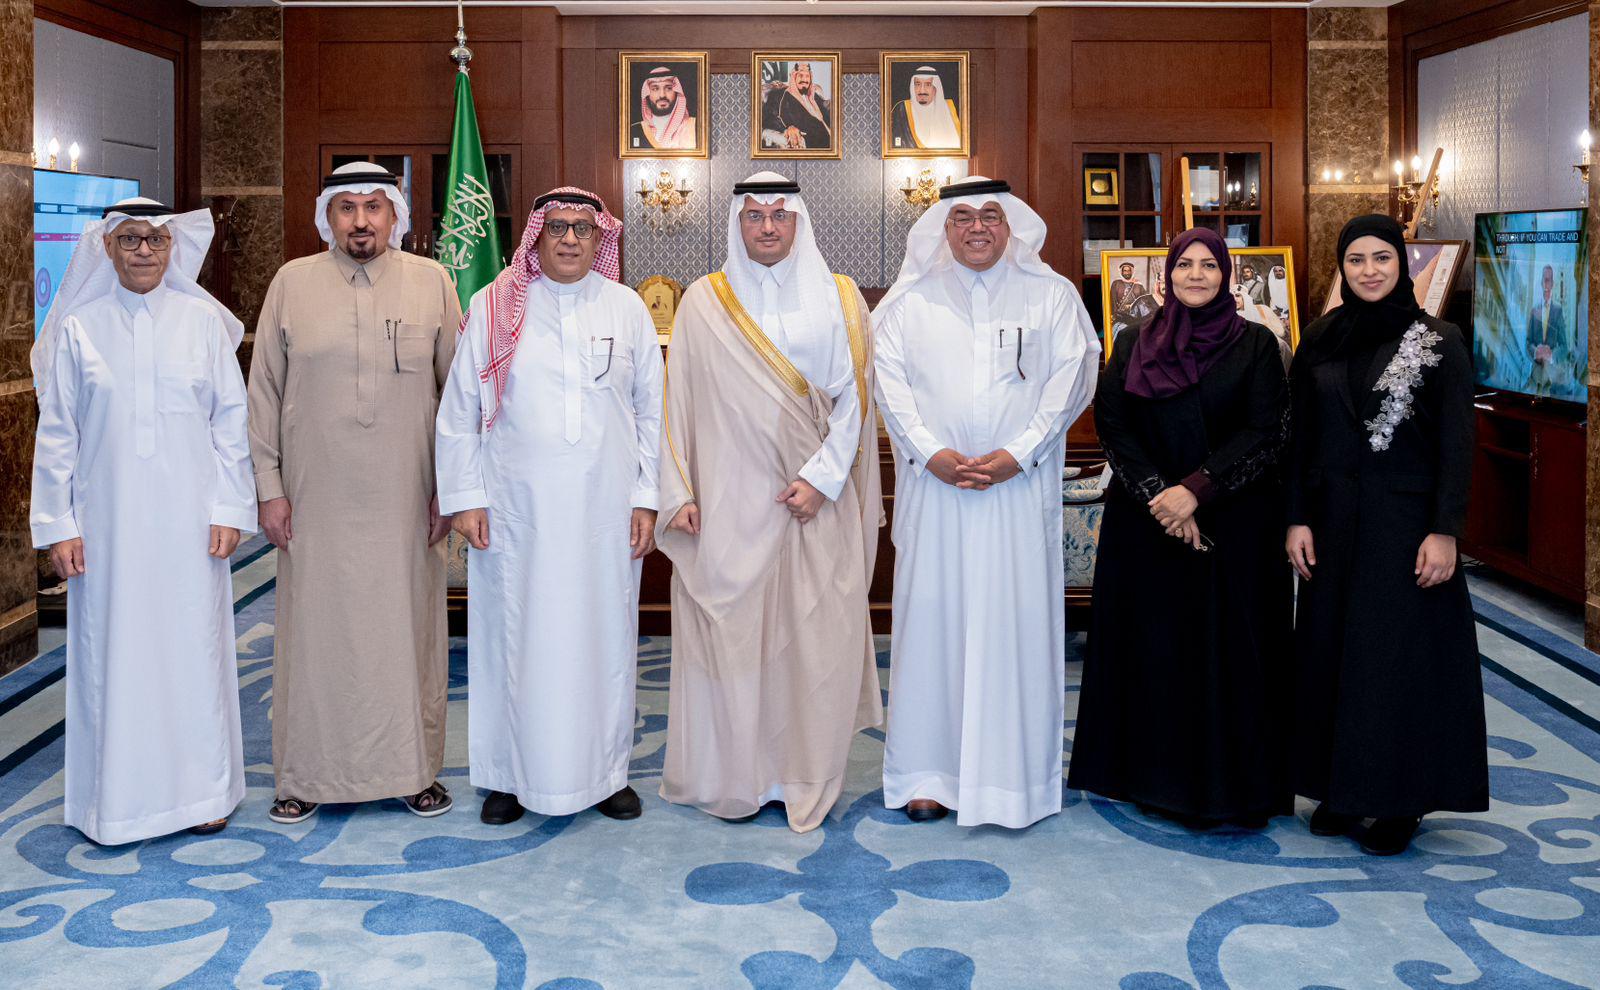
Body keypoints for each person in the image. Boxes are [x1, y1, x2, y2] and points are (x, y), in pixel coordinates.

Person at [656, 172, 881, 833]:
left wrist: (822, 479)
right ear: (737, 223)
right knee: (733, 641)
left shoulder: (840, 297)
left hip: (811, 500)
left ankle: (803, 775)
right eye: (753, 216)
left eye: (779, 215)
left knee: (813, 639)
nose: (767, 227)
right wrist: (679, 491)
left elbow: (857, 398)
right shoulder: (703, 301)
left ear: (799, 222)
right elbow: (676, 402)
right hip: (728, 504)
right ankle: (737, 777)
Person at [873, 177, 1099, 828]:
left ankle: (1010, 784)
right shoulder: (908, 303)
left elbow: (1072, 381)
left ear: (1011, 225)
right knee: (932, 627)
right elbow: (888, 384)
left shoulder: (1052, 296)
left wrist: (1018, 453)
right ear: (944, 229)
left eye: (991, 216)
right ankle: (927, 776)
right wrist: (931, 453)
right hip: (935, 491)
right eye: (963, 217)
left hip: (1017, 493)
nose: (977, 228)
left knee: (1013, 627)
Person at [30, 198, 254, 842]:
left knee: (194, 652)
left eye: (155, 239)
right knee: (113, 655)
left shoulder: (203, 324)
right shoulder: (80, 329)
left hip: (193, 526)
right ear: (107, 248)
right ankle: (116, 805)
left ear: (172, 246)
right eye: (130, 240)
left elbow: (230, 424)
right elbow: (58, 434)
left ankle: (204, 794)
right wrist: (58, 524)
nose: (144, 251)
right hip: (107, 529)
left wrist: (229, 508)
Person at [437, 188, 663, 825]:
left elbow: (653, 412)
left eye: (582, 229)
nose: (569, 239)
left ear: (600, 238)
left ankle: (606, 774)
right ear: (535, 236)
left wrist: (648, 498)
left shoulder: (626, 307)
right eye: (557, 227)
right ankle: (509, 776)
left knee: (605, 639)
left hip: (605, 511)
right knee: (513, 638)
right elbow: (459, 411)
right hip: (516, 513)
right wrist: (466, 499)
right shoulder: (494, 305)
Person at [248, 161, 462, 824]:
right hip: (315, 498)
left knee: (409, 631)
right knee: (315, 636)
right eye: (347, 208)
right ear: (328, 217)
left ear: (395, 215)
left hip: (408, 498)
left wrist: (450, 489)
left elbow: (458, 397)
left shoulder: (432, 282)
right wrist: (269, 489)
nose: (361, 221)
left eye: (374, 207)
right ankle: (305, 776)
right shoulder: (291, 283)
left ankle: (414, 772)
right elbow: (263, 395)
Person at [1067, 228, 1292, 829]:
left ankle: (1232, 788)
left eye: (1209, 265)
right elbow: (1114, 423)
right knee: (1157, 650)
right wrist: (1160, 496)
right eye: (1185, 264)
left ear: (1226, 275)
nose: (1196, 275)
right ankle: (1151, 779)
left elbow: (1266, 430)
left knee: (1228, 654)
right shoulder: (1134, 340)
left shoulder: (1256, 344)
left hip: (1234, 519)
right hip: (1148, 525)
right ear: (1168, 275)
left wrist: (1196, 490)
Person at [1286, 214, 1487, 856]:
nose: (1369, 270)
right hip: (1332, 525)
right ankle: (1341, 789)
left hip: (1405, 531)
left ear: (1402, 264)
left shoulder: (1439, 340)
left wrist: (1445, 531)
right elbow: (1299, 437)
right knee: (1332, 655)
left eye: (1381, 258)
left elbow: (1457, 443)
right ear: (1341, 268)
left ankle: (1403, 800)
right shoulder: (1320, 338)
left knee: (1398, 661)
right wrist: (1296, 517)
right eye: (1356, 260)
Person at [759, 62, 832, 151]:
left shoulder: (813, 96)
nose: (804, 79)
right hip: (812, 144)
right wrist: (788, 128)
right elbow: (768, 118)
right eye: (800, 75)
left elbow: (826, 113)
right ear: (794, 77)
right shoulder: (779, 95)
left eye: (807, 76)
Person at [888, 65, 961, 151]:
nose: (922, 90)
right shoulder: (901, 110)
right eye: (917, 84)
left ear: (936, 88)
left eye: (928, 84)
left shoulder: (951, 109)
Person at [630, 66, 697, 151]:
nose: (662, 95)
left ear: (677, 91)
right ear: (647, 93)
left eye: (668, 88)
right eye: (655, 89)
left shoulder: (695, 127)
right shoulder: (634, 131)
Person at [1524, 264, 1568, 394]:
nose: (1546, 282)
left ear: (1553, 283)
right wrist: (1535, 352)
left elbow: (1564, 346)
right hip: (1535, 376)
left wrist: (1552, 355)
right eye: (1544, 278)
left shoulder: (1558, 311)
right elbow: (1528, 342)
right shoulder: (1534, 309)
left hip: (1552, 379)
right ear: (1541, 282)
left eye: (1549, 279)